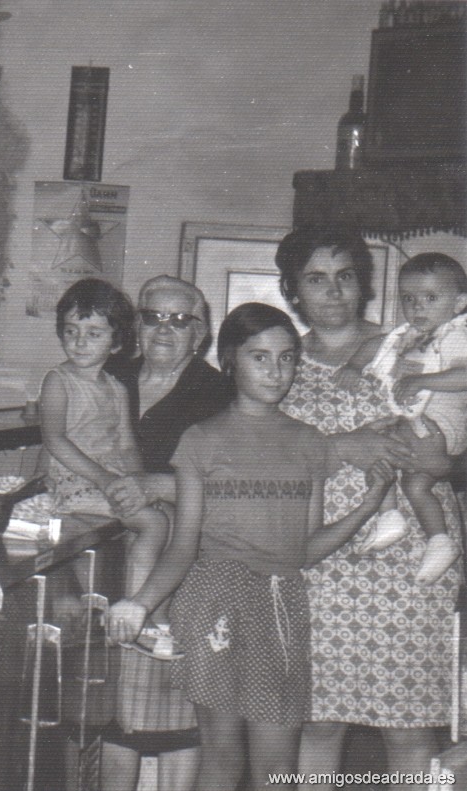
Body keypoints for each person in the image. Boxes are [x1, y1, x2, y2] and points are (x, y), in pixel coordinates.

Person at [108, 302, 395, 790]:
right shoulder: (201, 440)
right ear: (230, 361)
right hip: (212, 603)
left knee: (277, 768)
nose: (276, 371)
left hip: (281, 606)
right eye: (259, 357)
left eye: (286, 358)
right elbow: (183, 545)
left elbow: (303, 552)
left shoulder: (309, 442)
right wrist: (140, 602)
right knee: (221, 757)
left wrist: (367, 508)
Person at [275, 227, 461, 791]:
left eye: (346, 276)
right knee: (317, 720)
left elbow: (452, 443)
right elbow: (252, 456)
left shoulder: (415, 346)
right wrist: (341, 448)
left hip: (409, 558)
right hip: (315, 554)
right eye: (316, 279)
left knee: (408, 725)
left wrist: (439, 455)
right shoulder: (277, 358)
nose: (334, 291)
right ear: (292, 290)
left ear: (364, 285)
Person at [97, 275, 233, 791]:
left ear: (200, 334)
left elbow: (234, 483)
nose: (164, 329)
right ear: (136, 326)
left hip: (181, 564)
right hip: (106, 556)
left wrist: (156, 484)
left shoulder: (220, 391)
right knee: (107, 706)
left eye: (180, 321)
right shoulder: (107, 373)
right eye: (153, 317)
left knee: (171, 708)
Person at [332, 252, 467, 584]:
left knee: (377, 443)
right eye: (408, 298)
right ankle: (440, 540)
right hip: (425, 436)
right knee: (416, 486)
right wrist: (353, 366)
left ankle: (389, 514)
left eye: (431, 298)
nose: (418, 306)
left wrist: (422, 380)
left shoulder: (455, 336)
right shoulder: (407, 336)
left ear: (459, 303)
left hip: (437, 429)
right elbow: (376, 346)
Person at [39, 280, 169, 606]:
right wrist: (105, 479)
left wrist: (139, 485)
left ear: (116, 341)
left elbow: (126, 445)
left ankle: (129, 600)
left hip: (108, 482)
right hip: (73, 484)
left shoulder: (117, 389)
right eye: (71, 331)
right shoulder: (58, 381)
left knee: (164, 512)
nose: (79, 342)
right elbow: (54, 439)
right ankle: (136, 607)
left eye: (94, 333)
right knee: (154, 523)